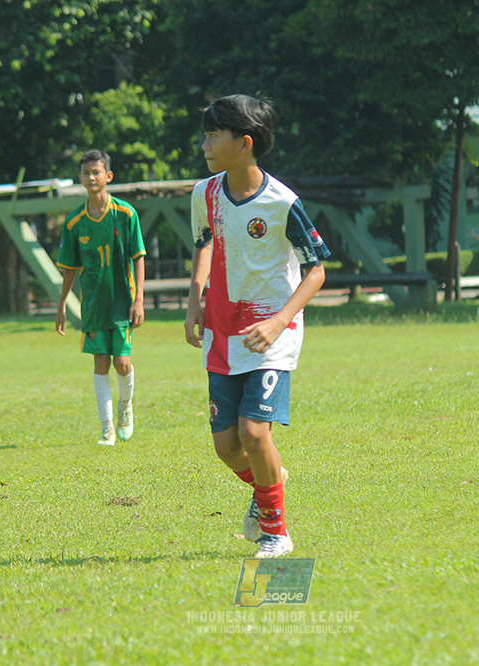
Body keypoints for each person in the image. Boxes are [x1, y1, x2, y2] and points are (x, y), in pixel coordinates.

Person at [183, 94, 331, 558]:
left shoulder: (281, 201)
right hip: (222, 332)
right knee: (226, 445)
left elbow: (317, 270)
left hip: (272, 333)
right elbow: (204, 242)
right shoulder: (204, 194)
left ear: (244, 143)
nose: (205, 143)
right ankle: (271, 482)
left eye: (213, 135)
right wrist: (195, 300)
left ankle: (276, 532)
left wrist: (279, 321)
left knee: (254, 433)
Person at [56, 149, 146, 447]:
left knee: (122, 363)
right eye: (86, 172)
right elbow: (70, 270)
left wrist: (139, 300)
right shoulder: (74, 223)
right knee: (100, 363)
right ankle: (107, 428)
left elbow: (138, 257)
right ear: (80, 178)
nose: (91, 177)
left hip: (122, 302)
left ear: (108, 176)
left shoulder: (126, 213)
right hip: (93, 306)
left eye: (97, 171)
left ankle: (125, 407)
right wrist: (61, 308)